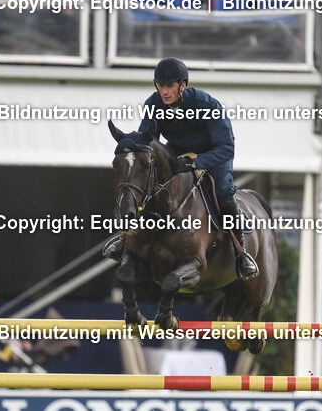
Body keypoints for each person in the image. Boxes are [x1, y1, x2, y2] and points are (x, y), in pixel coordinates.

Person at [102, 57, 258, 279]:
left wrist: (196, 162)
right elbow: (148, 143)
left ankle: (241, 252)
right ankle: (126, 238)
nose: (164, 92)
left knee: (223, 192)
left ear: (182, 86)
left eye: (170, 86)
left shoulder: (207, 105)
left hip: (213, 153)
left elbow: (226, 148)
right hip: (177, 151)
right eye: (161, 86)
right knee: (149, 184)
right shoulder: (153, 104)